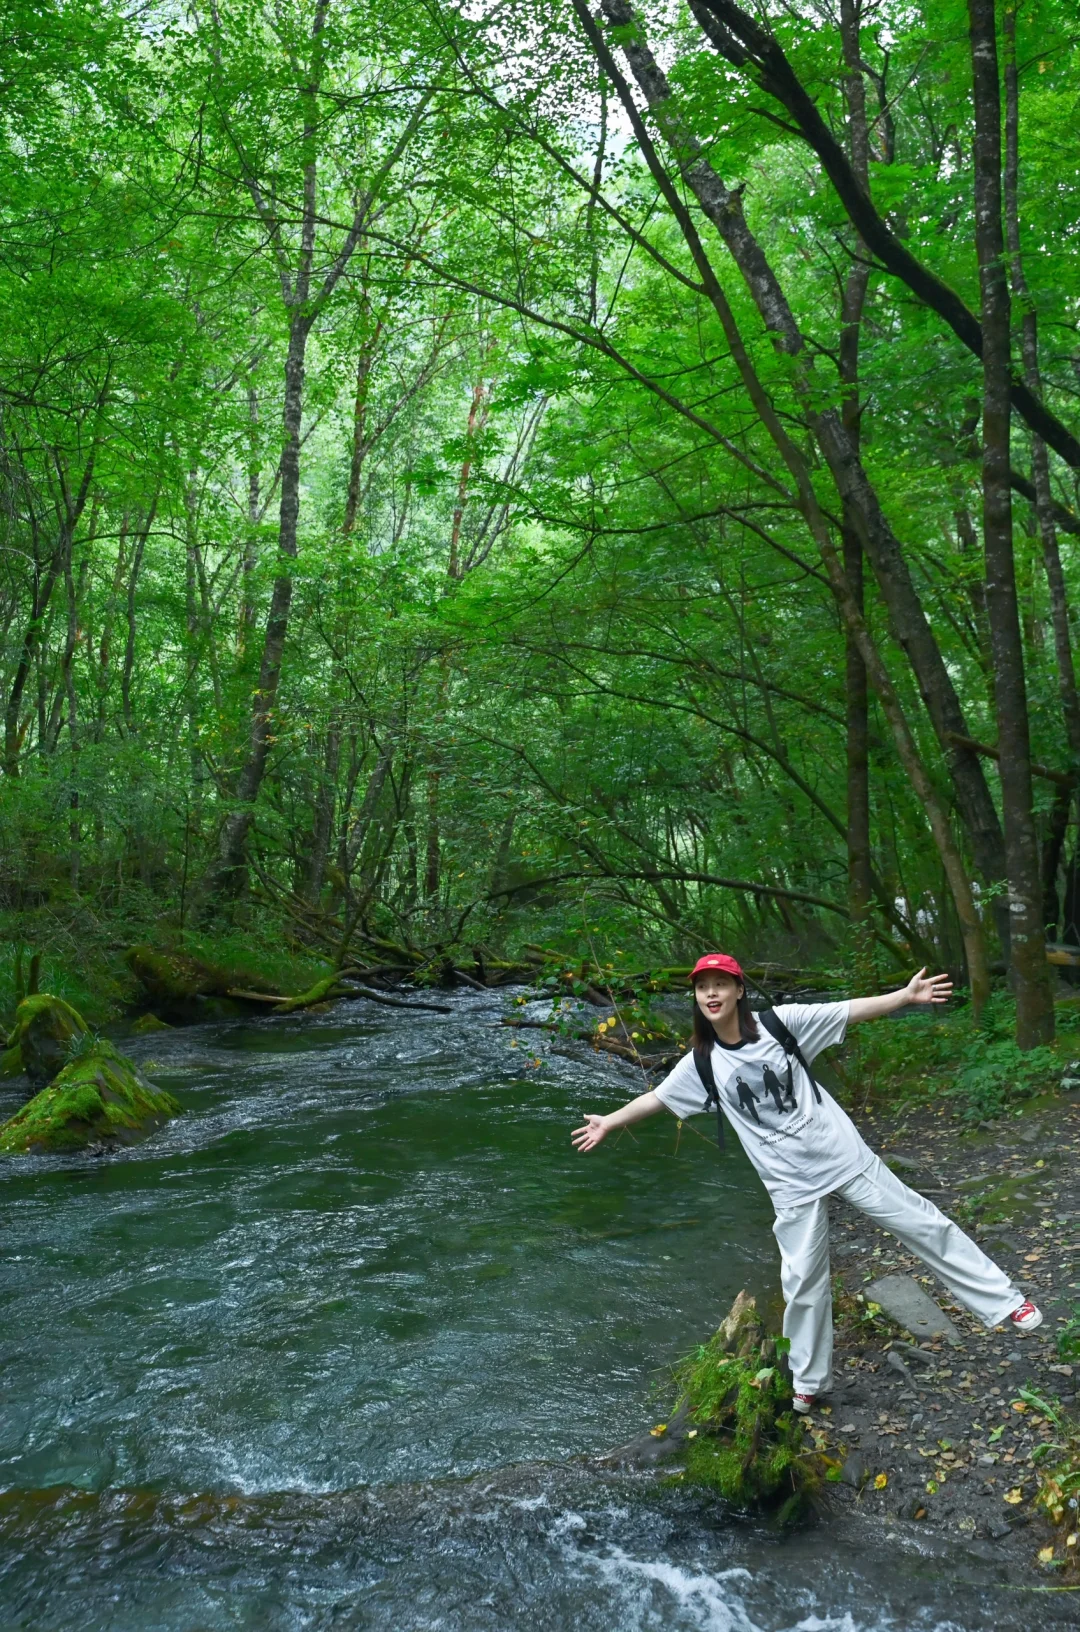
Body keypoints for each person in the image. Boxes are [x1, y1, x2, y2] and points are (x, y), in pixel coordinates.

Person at [571, 952, 1042, 1413]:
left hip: (842, 1156)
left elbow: (847, 1011)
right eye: (702, 987)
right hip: (790, 1184)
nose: (711, 993)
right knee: (803, 1284)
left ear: (738, 990)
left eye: (720, 984)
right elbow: (658, 1098)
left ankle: (1006, 1302)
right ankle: (809, 1381)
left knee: (923, 1224)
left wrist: (903, 997)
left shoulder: (782, 1024)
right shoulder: (701, 1063)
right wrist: (609, 1121)